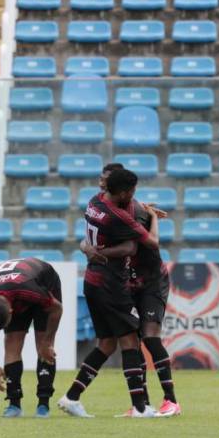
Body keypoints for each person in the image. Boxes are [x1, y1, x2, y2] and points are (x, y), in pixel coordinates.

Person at [58, 168, 161, 418]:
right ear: (124, 192)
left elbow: (88, 241)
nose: (134, 194)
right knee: (130, 341)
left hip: (92, 281)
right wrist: (153, 217)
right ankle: (139, 407)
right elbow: (145, 244)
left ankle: (71, 397)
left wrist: (89, 249)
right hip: (110, 284)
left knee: (106, 344)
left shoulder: (95, 202)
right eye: (132, 191)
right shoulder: (119, 217)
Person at [80, 165, 181, 417]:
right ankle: (142, 405)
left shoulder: (133, 212)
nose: (100, 182)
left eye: (104, 178)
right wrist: (87, 247)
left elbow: (142, 246)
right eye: (100, 177)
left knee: (149, 335)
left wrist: (153, 218)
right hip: (126, 282)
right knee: (131, 340)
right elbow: (89, 239)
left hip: (150, 281)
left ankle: (171, 401)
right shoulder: (107, 208)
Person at [0, 257, 63, 418]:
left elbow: (57, 309)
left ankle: (43, 405)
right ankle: (14, 404)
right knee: (12, 342)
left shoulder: (29, 291)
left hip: (43, 281)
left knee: (42, 345)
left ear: (11, 312)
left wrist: (48, 342)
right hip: (13, 289)